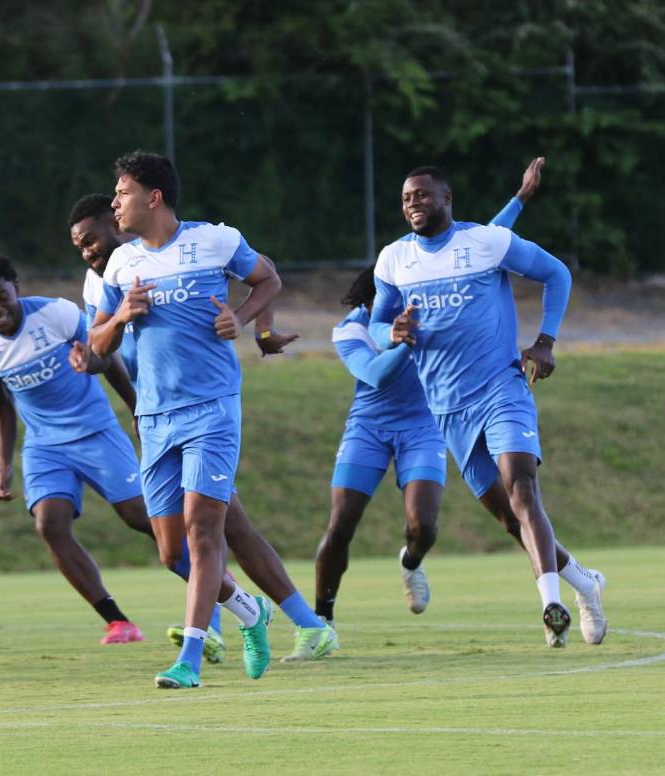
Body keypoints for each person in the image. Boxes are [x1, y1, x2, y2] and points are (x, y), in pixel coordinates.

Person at [89, 151, 337, 689]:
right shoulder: (120, 265)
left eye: (123, 191)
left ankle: (190, 661)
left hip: (213, 408)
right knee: (170, 549)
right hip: (154, 417)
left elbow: (267, 278)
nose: (115, 202)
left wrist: (241, 318)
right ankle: (252, 612)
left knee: (205, 532)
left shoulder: (215, 241)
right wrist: (123, 318)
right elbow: (94, 344)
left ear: (153, 197)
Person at [368, 162, 608, 648]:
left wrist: (545, 342)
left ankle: (550, 607)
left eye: (422, 195)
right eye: (406, 197)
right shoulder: (393, 260)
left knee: (521, 486)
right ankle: (585, 584)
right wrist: (392, 334)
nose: (413, 203)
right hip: (447, 408)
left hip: (503, 386)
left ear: (447, 198)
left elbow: (556, 273)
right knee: (508, 517)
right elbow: (375, 328)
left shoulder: (485, 242)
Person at [315, 158, 548, 628]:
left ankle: (412, 562)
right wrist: (409, 339)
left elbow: (475, 245)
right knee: (341, 523)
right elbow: (377, 376)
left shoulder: (437, 272)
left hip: (423, 424)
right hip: (369, 426)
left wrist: (520, 198)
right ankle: (319, 623)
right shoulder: (351, 331)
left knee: (422, 527)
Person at [0, 253, 153, 646]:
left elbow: (107, 356)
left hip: (96, 431)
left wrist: (137, 410)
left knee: (139, 516)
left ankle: (217, 582)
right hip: (45, 446)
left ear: (16, 287)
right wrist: (3, 464)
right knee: (49, 525)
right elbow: (0, 404)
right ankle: (118, 622)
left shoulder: (55, 314)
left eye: (1, 296)